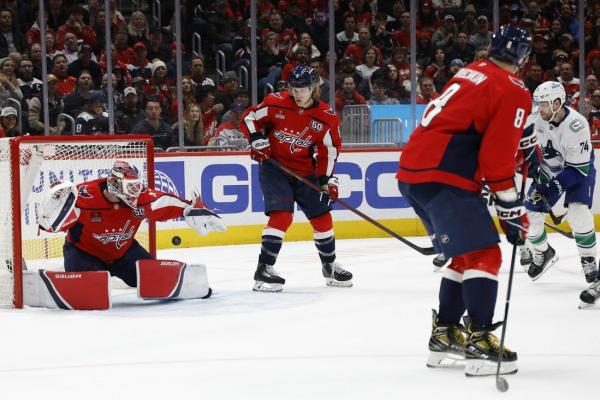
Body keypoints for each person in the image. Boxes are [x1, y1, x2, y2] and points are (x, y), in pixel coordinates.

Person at [396, 26, 533, 376]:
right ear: (525, 59)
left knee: (465, 255)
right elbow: (496, 157)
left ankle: (445, 334)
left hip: (414, 173)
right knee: (487, 253)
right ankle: (480, 341)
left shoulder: (469, 71)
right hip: (445, 175)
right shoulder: (514, 88)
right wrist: (510, 207)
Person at [240, 65, 352, 292]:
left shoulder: (326, 117)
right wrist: (255, 139)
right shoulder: (275, 102)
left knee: (322, 217)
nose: (298, 93)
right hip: (274, 168)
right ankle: (264, 270)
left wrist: (326, 179)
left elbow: (328, 151)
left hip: (305, 171)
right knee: (282, 216)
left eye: (303, 88)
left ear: (314, 88)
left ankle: (329, 267)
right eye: (294, 88)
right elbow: (249, 117)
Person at [38, 160, 226, 288]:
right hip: (84, 253)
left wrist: (191, 209)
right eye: (131, 187)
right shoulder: (82, 197)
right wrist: (49, 215)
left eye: (137, 186)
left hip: (124, 252)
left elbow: (169, 202)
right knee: (90, 288)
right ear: (114, 183)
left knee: (154, 281)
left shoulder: (142, 199)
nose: (136, 193)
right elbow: (49, 224)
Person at [525, 81, 598, 285]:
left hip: (577, 170)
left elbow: (578, 170)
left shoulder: (577, 125)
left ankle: (588, 259)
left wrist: (553, 188)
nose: (540, 108)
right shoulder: (536, 116)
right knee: (530, 213)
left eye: (544, 104)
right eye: (538, 104)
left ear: (557, 102)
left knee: (578, 213)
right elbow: (516, 137)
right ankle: (543, 252)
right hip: (549, 169)